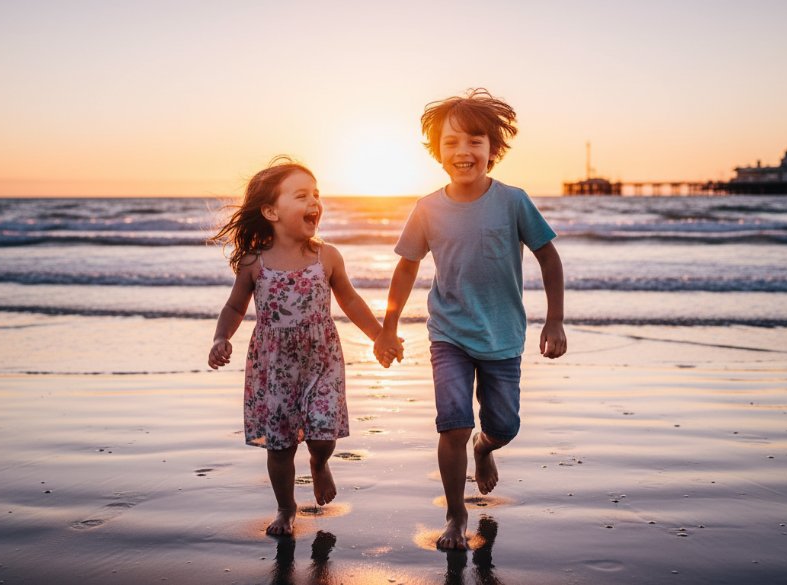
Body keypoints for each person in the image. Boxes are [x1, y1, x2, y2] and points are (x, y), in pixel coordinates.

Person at [373, 89, 567, 550]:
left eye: (475, 141)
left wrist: (554, 321)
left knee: (503, 426)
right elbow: (406, 266)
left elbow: (549, 257)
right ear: (437, 151)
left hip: (502, 334)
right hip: (449, 334)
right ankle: (456, 516)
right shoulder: (427, 208)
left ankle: (486, 448)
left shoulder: (513, 201)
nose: (463, 152)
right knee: (453, 424)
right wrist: (388, 326)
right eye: (451, 142)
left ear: (492, 150)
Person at [207, 157, 392, 536]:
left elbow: (352, 301)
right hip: (273, 366)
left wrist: (379, 336)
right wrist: (221, 337)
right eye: (302, 195)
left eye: (317, 195)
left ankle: (320, 463)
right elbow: (234, 306)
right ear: (271, 210)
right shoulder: (254, 262)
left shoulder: (327, 256)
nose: (314, 203)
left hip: (322, 359)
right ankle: (286, 508)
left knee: (323, 434)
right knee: (279, 446)